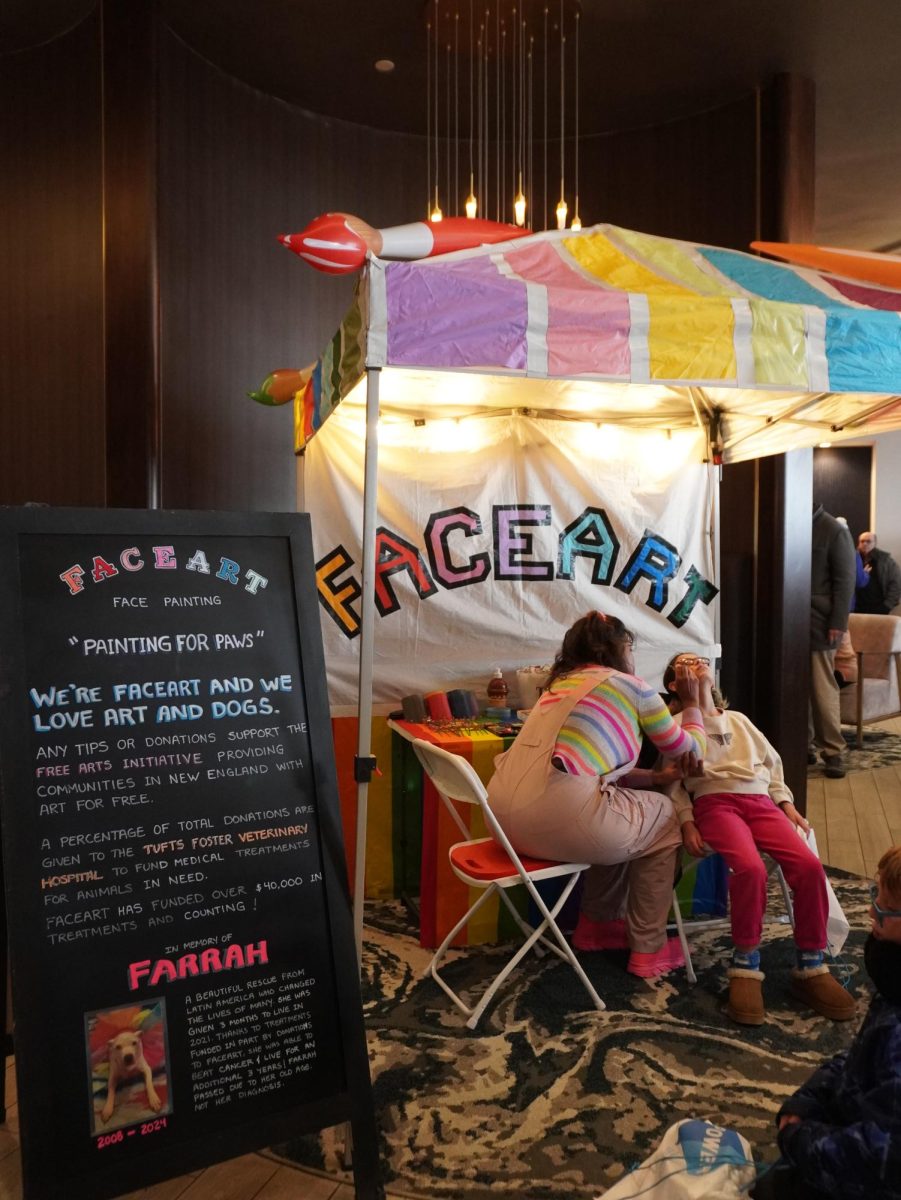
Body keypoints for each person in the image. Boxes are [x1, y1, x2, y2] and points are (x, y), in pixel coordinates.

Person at [486, 611, 706, 979]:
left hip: (503, 824)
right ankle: (648, 948)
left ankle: (598, 927)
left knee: (624, 816)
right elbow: (690, 750)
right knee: (665, 817)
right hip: (559, 822)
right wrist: (694, 701)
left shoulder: (557, 686)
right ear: (621, 649)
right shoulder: (632, 687)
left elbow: (582, 768)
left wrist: (654, 776)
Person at [664, 652, 856, 1024]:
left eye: (701, 660)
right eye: (686, 663)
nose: (697, 665)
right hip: (715, 803)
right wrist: (686, 821)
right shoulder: (676, 724)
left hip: (760, 801)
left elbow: (773, 765)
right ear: (674, 683)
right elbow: (672, 782)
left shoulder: (740, 720)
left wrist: (785, 803)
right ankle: (745, 964)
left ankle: (811, 964)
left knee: (808, 865)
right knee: (750, 868)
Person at [750, 844, 901, 1200]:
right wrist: (809, 1100)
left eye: (886, 910)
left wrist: (800, 1139)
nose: (870, 911)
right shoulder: (893, 998)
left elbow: (882, 1158)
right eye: (873, 896)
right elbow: (858, 1064)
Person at [809, 503, 856, 778]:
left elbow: (845, 581)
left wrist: (838, 622)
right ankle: (804, 746)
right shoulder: (796, 522)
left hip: (820, 622)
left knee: (822, 686)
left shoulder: (833, 530)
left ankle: (833, 751)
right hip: (792, 619)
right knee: (796, 688)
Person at [856, 530, 901, 615]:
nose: (865, 544)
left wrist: (887, 606)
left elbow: (896, 583)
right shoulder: (852, 559)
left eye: (868, 541)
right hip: (856, 608)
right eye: (862, 541)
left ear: (875, 543)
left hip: (879, 607)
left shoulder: (886, 561)